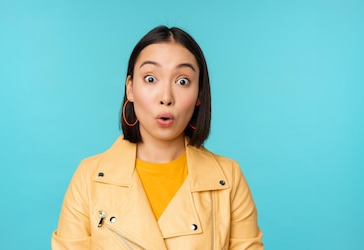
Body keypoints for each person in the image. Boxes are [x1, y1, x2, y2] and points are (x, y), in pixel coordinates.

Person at [52, 25, 263, 249]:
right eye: (151, 79)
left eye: (182, 81)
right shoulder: (89, 177)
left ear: (199, 94)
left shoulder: (228, 178)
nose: (166, 97)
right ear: (130, 89)